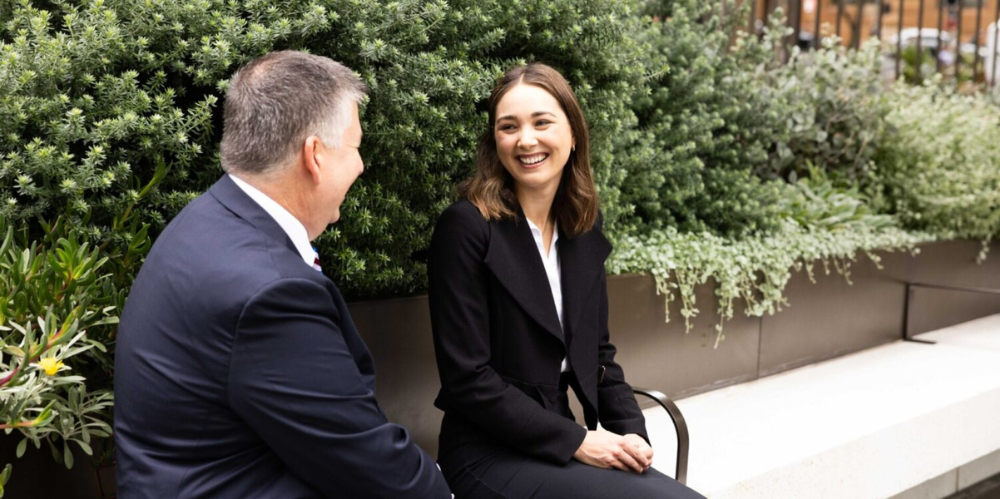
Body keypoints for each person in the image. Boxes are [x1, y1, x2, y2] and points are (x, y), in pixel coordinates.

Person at [114, 51, 451, 498]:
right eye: (355, 146)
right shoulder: (269, 292)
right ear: (315, 155)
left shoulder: (206, 220)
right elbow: (365, 461)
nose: (361, 165)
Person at [428, 63, 705, 499]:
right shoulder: (466, 227)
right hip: (488, 452)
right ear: (494, 141)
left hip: (559, 440)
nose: (526, 140)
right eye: (509, 126)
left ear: (573, 134)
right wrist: (578, 441)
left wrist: (632, 435)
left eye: (542, 122)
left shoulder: (582, 228)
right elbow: (468, 379)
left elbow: (599, 355)